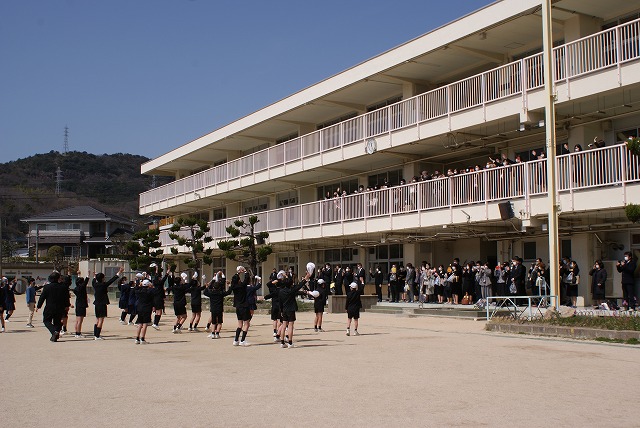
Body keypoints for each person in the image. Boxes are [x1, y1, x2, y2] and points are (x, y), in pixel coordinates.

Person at [277, 270, 312, 348]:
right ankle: (290, 342)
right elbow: (299, 286)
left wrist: (281, 310)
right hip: (291, 309)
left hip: (284, 310)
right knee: (290, 326)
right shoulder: (291, 291)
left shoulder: (281, 291)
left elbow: (280, 302)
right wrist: (306, 278)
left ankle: (282, 342)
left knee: (283, 325)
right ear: (291, 284)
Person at [92, 267, 124, 340]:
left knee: (97, 319)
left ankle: (95, 334)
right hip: (102, 304)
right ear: (102, 278)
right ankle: (97, 335)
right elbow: (112, 280)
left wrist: (94, 276)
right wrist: (119, 272)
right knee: (101, 320)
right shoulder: (103, 285)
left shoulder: (95, 285)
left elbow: (94, 281)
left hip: (96, 304)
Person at [36, 271, 69, 342]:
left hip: (50, 307)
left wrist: (38, 306)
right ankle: (55, 335)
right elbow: (66, 297)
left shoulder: (47, 287)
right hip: (60, 307)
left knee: (46, 320)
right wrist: (67, 305)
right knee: (57, 322)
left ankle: (54, 332)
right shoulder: (63, 287)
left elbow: (42, 297)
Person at [229, 266, 253, 346]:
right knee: (247, 324)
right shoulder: (241, 286)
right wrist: (245, 271)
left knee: (240, 324)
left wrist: (238, 272)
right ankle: (242, 340)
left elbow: (236, 279)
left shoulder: (234, 286)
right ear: (239, 280)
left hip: (238, 307)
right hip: (244, 306)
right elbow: (246, 280)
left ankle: (236, 340)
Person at [203, 271, 231, 339]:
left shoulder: (211, 293)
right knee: (220, 322)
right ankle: (217, 333)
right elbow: (229, 292)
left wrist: (207, 287)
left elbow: (205, 292)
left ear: (213, 287)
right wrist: (229, 285)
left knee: (213, 322)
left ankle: (213, 333)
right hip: (219, 308)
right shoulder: (221, 293)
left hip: (213, 308)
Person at [133, 279, 155, 344]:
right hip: (147, 308)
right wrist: (151, 286)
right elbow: (154, 291)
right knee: (145, 323)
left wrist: (139, 285)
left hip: (140, 308)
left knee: (140, 323)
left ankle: (137, 338)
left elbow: (135, 289)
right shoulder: (150, 291)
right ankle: (142, 338)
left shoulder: (139, 291)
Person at [151, 264, 169, 330]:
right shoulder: (160, 284)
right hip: (159, 299)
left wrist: (156, 270)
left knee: (157, 311)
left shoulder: (154, 285)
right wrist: (167, 272)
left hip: (155, 299)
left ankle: (155, 323)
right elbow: (164, 278)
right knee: (159, 312)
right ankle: (155, 323)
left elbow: (156, 276)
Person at [72, 272, 90, 337]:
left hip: (78, 304)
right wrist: (88, 275)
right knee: (80, 320)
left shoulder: (76, 289)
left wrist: (79, 275)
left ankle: (77, 331)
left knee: (77, 320)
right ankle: (78, 333)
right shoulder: (81, 288)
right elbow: (85, 282)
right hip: (82, 305)